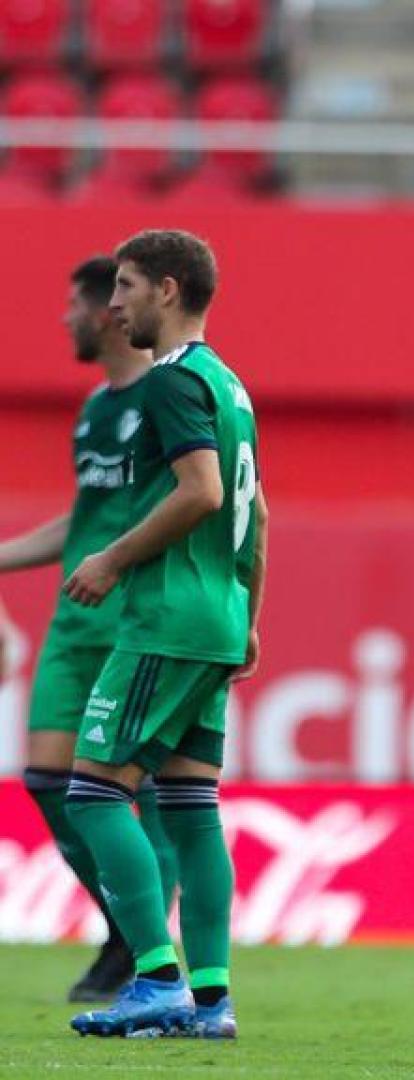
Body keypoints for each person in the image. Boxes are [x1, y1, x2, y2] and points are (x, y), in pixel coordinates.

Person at [63, 229, 267, 1040]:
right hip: (216, 614)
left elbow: (206, 492)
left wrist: (111, 557)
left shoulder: (170, 382)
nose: (113, 306)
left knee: (93, 791)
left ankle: (154, 978)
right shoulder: (231, 385)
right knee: (190, 804)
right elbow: (259, 510)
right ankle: (212, 1002)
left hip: (168, 617)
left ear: (169, 291)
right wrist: (249, 617)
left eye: (125, 286)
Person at [0, 255, 179, 1003]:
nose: (67, 318)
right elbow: (88, 518)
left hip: (135, 614)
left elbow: (197, 500)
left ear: (110, 311)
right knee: (47, 779)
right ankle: (125, 928)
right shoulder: (96, 408)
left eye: (77, 304)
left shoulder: (168, 398)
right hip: (76, 620)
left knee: (144, 790)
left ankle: (150, 951)